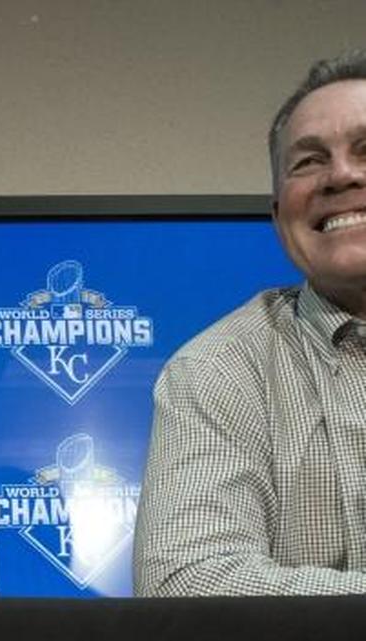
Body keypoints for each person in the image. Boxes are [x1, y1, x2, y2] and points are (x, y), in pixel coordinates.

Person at [134, 50, 366, 596]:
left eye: (365, 149)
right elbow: (185, 581)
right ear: (278, 214)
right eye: (308, 161)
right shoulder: (217, 371)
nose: (342, 174)